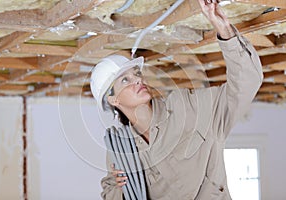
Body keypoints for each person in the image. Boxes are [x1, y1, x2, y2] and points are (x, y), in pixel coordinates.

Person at [90, 0, 263, 199]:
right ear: (113, 100)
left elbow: (247, 82)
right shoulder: (121, 147)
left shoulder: (188, 107)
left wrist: (225, 30)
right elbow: (110, 192)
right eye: (125, 80)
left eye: (137, 73)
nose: (137, 79)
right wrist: (120, 188)